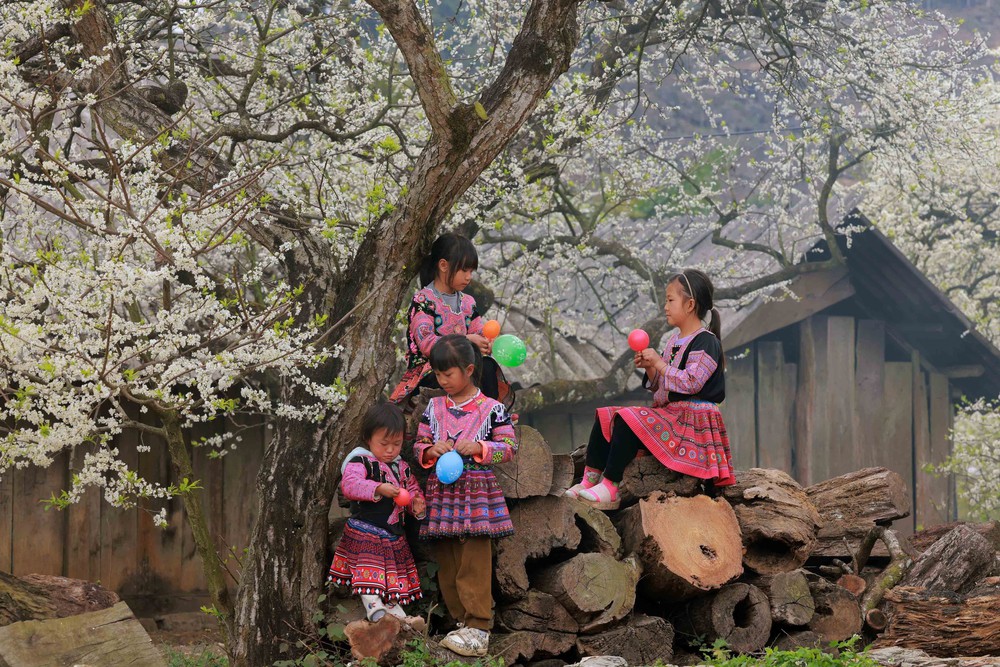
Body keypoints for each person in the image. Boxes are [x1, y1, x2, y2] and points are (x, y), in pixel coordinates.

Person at [566, 269, 735, 510]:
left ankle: (611, 486)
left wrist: (659, 364)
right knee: (607, 415)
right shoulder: (674, 342)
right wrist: (651, 370)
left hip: (692, 422)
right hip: (672, 414)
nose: (665, 306)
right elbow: (662, 389)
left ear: (690, 305)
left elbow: (692, 383)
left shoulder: (707, 341)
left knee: (628, 418)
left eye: (670, 300)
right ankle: (589, 480)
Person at [413, 335, 517, 657]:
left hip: (476, 493)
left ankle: (479, 626)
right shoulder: (433, 407)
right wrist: (431, 449)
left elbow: (510, 448)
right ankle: (461, 622)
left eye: (448, 374)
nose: (442, 381)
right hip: (442, 493)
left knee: (473, 554)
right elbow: (417, 446)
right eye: (438, 375)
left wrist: (480, 448)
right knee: (447, 556)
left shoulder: (492, 409)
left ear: (469, 370)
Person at [389, 232, 512, 409]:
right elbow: (427, 344)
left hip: (463, 369)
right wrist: (466, 341)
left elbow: (478, 330)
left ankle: (490, 414)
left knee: (486, 365)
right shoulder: (423, 301)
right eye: (464, 270)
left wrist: (486, 342)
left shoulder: (468, 303)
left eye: (471, 271)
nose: (469, 277)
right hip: (432, 371)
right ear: (443, 265)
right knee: (450, 374)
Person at [328, 403, 427, 622]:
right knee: (369, 570)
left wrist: (416, 504)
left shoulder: (401, 467)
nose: (391, 450)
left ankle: (397, 616)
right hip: (367, 530)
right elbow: (351, 485)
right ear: (368, 438)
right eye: (384, 444)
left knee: (391, 577)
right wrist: (377, 488)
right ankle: (373, 608)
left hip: (393, 533)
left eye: (397, 444)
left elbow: (411, 490)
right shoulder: (360, 461)